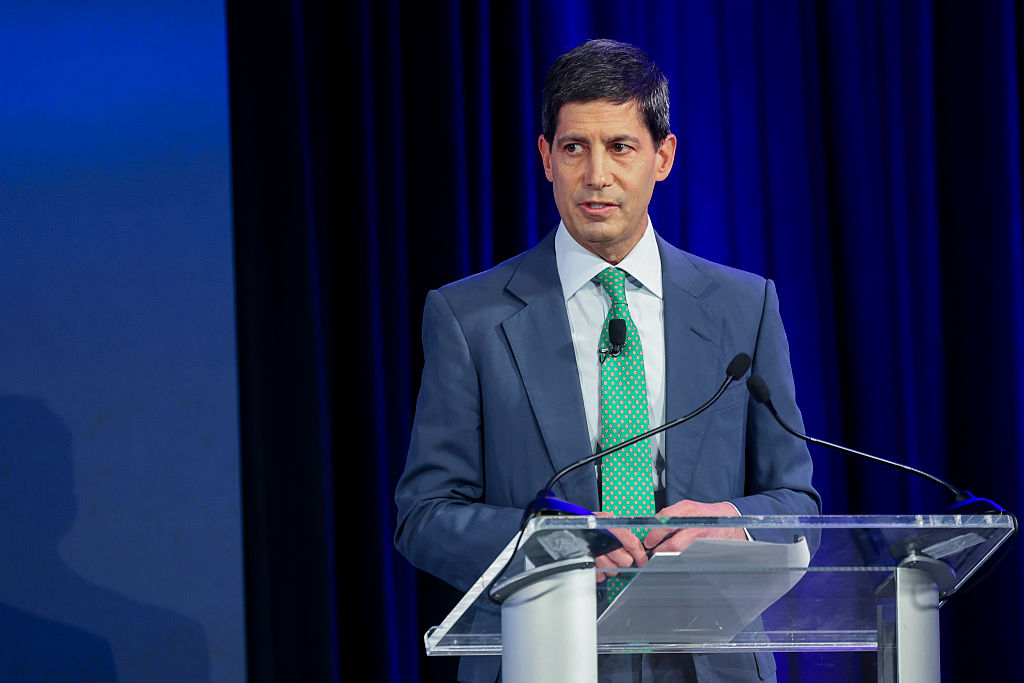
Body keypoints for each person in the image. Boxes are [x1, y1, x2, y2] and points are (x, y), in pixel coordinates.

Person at [394, 39, 819, 683]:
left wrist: (734, 522)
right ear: (545, 159)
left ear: (663, 156)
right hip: (541, 653)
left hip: (707, 663)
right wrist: (549, 549)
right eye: (574, 148)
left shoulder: (744, 306)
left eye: (620, 147)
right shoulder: (467, 318)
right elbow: (425, 516)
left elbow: (798, 502)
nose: (597, 175)